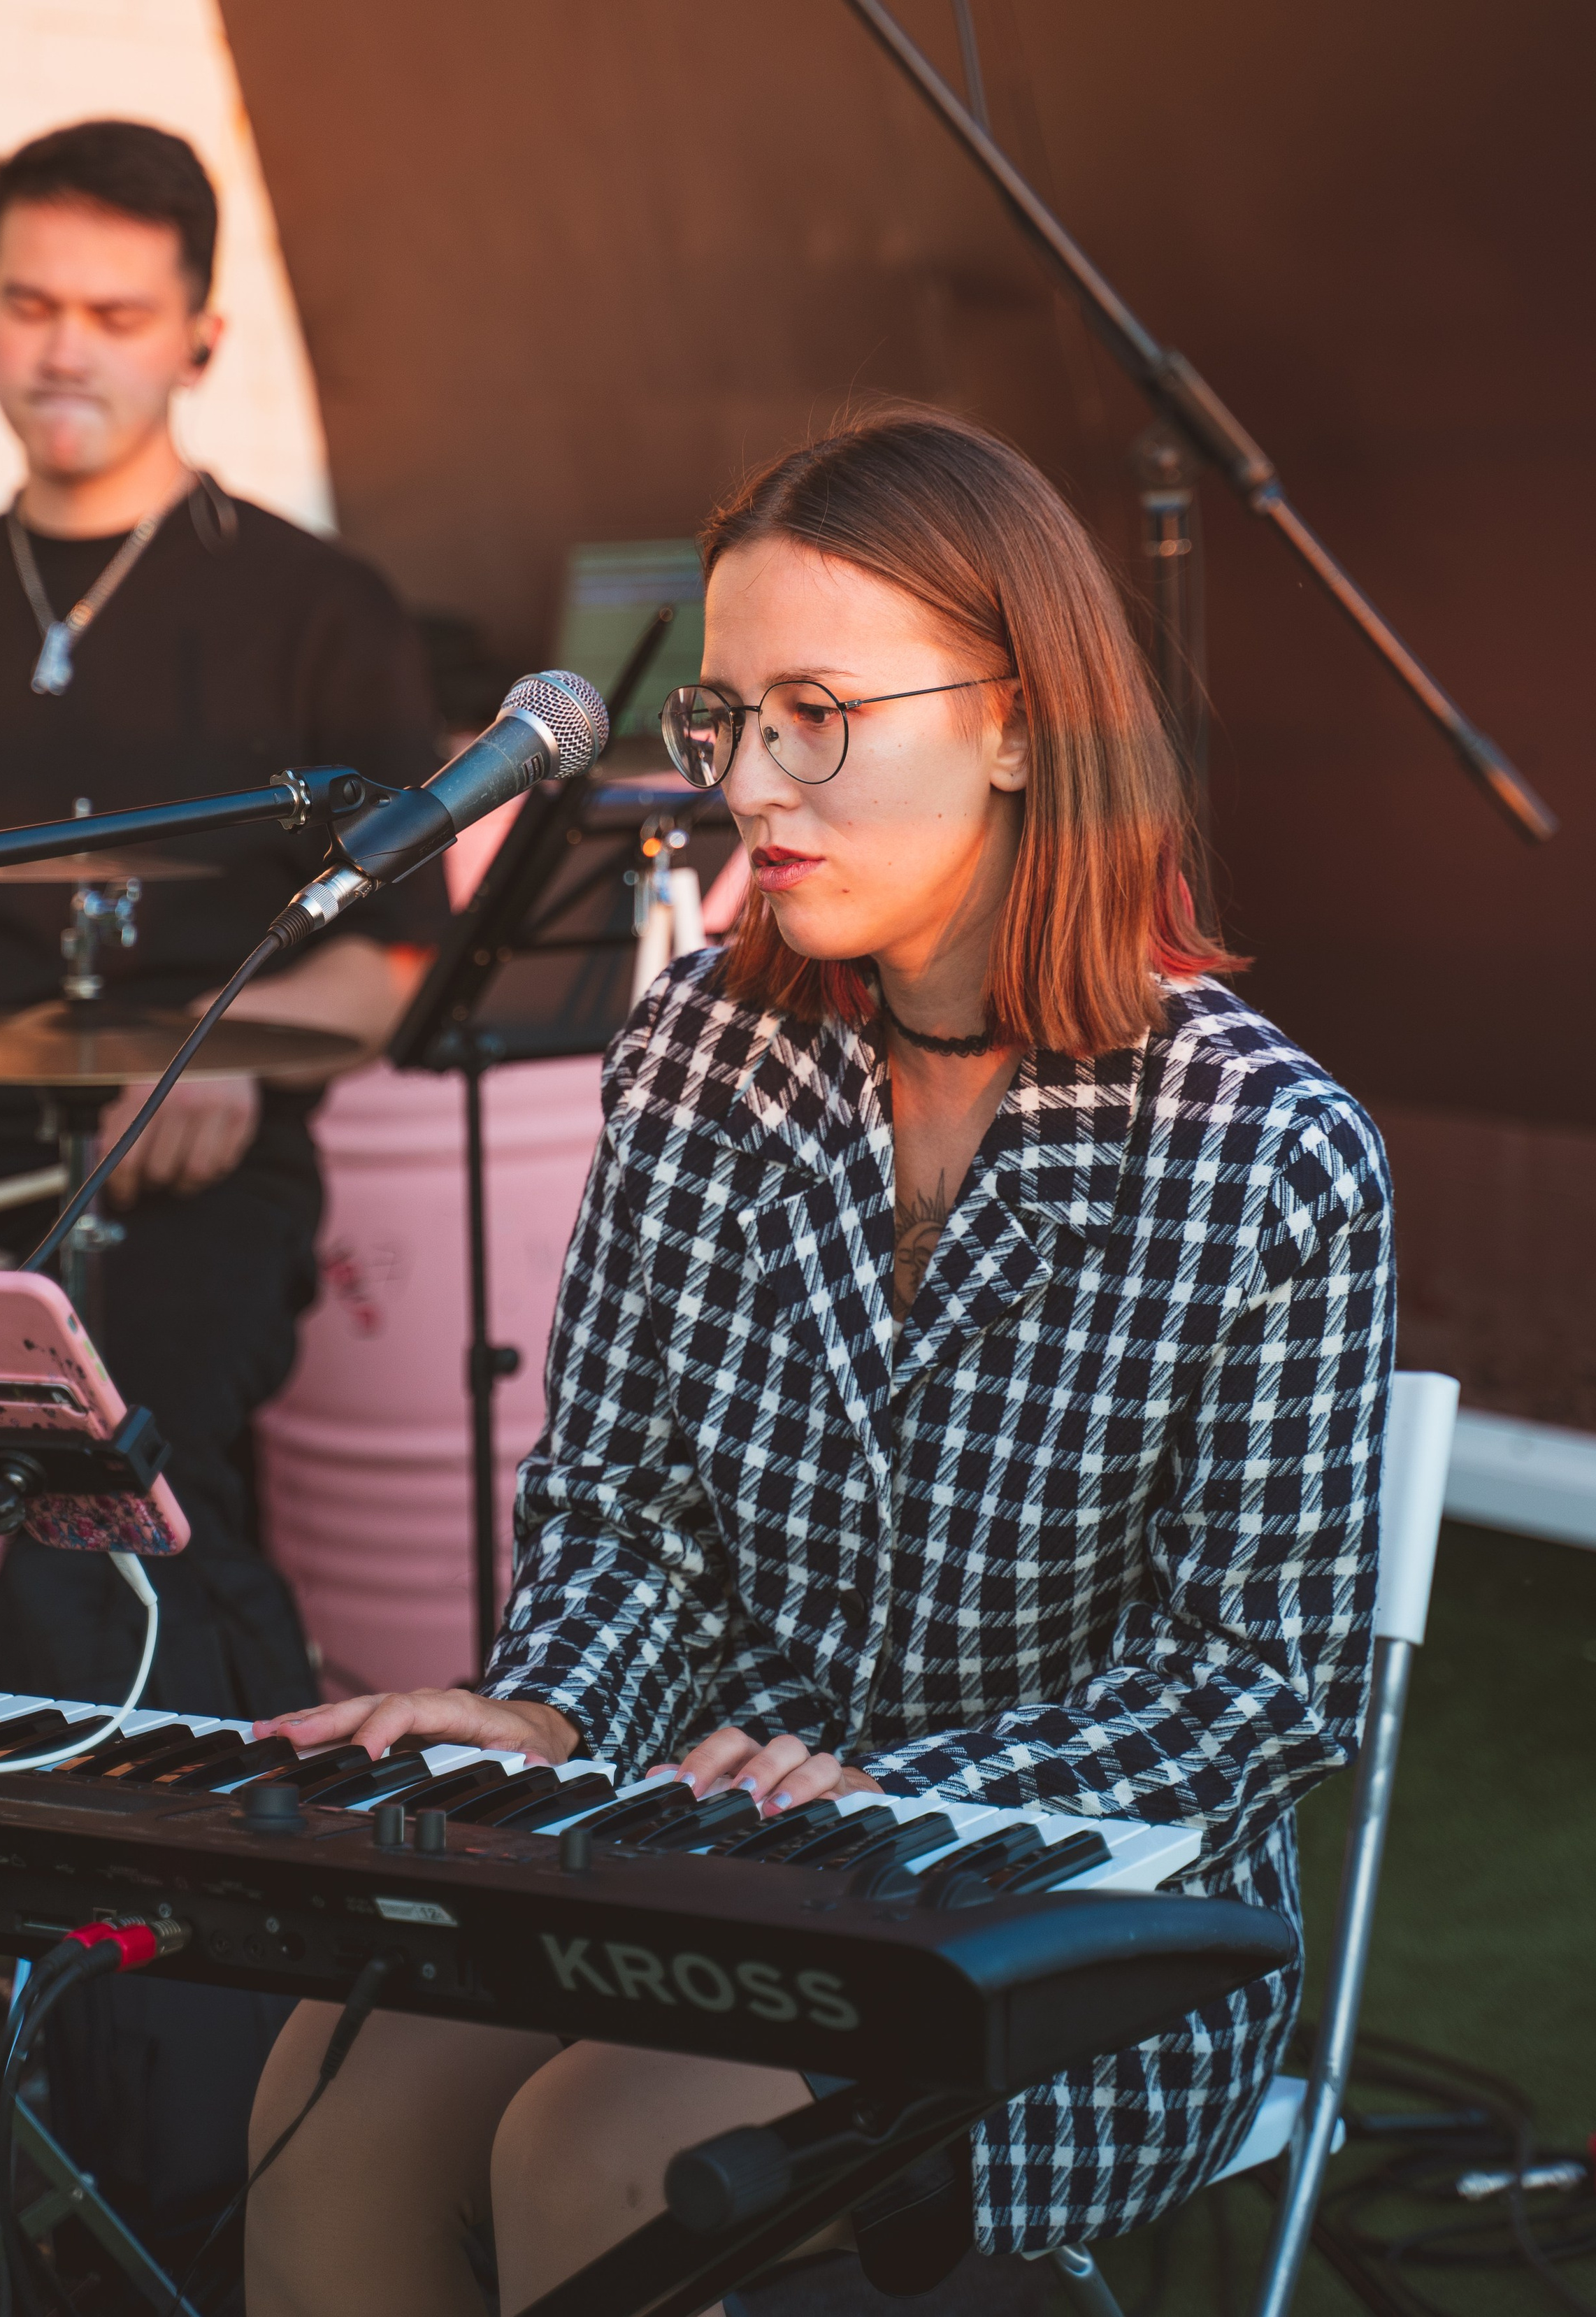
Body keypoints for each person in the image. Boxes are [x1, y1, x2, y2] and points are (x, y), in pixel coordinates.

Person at [247, 409, 1393, 2316]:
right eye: (721, 721)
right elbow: (629, 1518)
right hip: (708, 1867)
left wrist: (893, 1803)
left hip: (1087, 1933)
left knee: (605, 2144)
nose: (748, 787)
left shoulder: (1264, 1150)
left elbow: (1254, 1687)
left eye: (817, 714)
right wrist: (547, 1716)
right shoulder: (704, 1045)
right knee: (334, 2083)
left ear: (1021, 721)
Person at [0, 117, 448, 2267]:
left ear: (198, 328)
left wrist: (238, 1057)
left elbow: (398, 944)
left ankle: (169, 2077)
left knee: (107, 1537)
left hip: (186, 1194)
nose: (64, 350)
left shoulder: (313, 608)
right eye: (30, 303)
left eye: (114, 313)